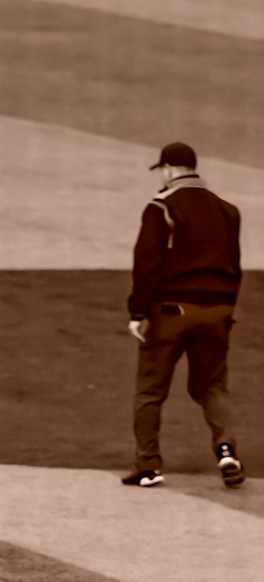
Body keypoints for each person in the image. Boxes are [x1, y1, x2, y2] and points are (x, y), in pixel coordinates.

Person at [122, 142, 245, 488]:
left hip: (172, 312)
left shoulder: (161, 207)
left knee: (150, 391)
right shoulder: (228, 210)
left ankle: (148, 465)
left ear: (168, 169)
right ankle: (226, 450)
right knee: (212, 387)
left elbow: (147, 262)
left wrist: (138, 311)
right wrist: (226, 309)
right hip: (217, 310)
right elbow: (234, 266)